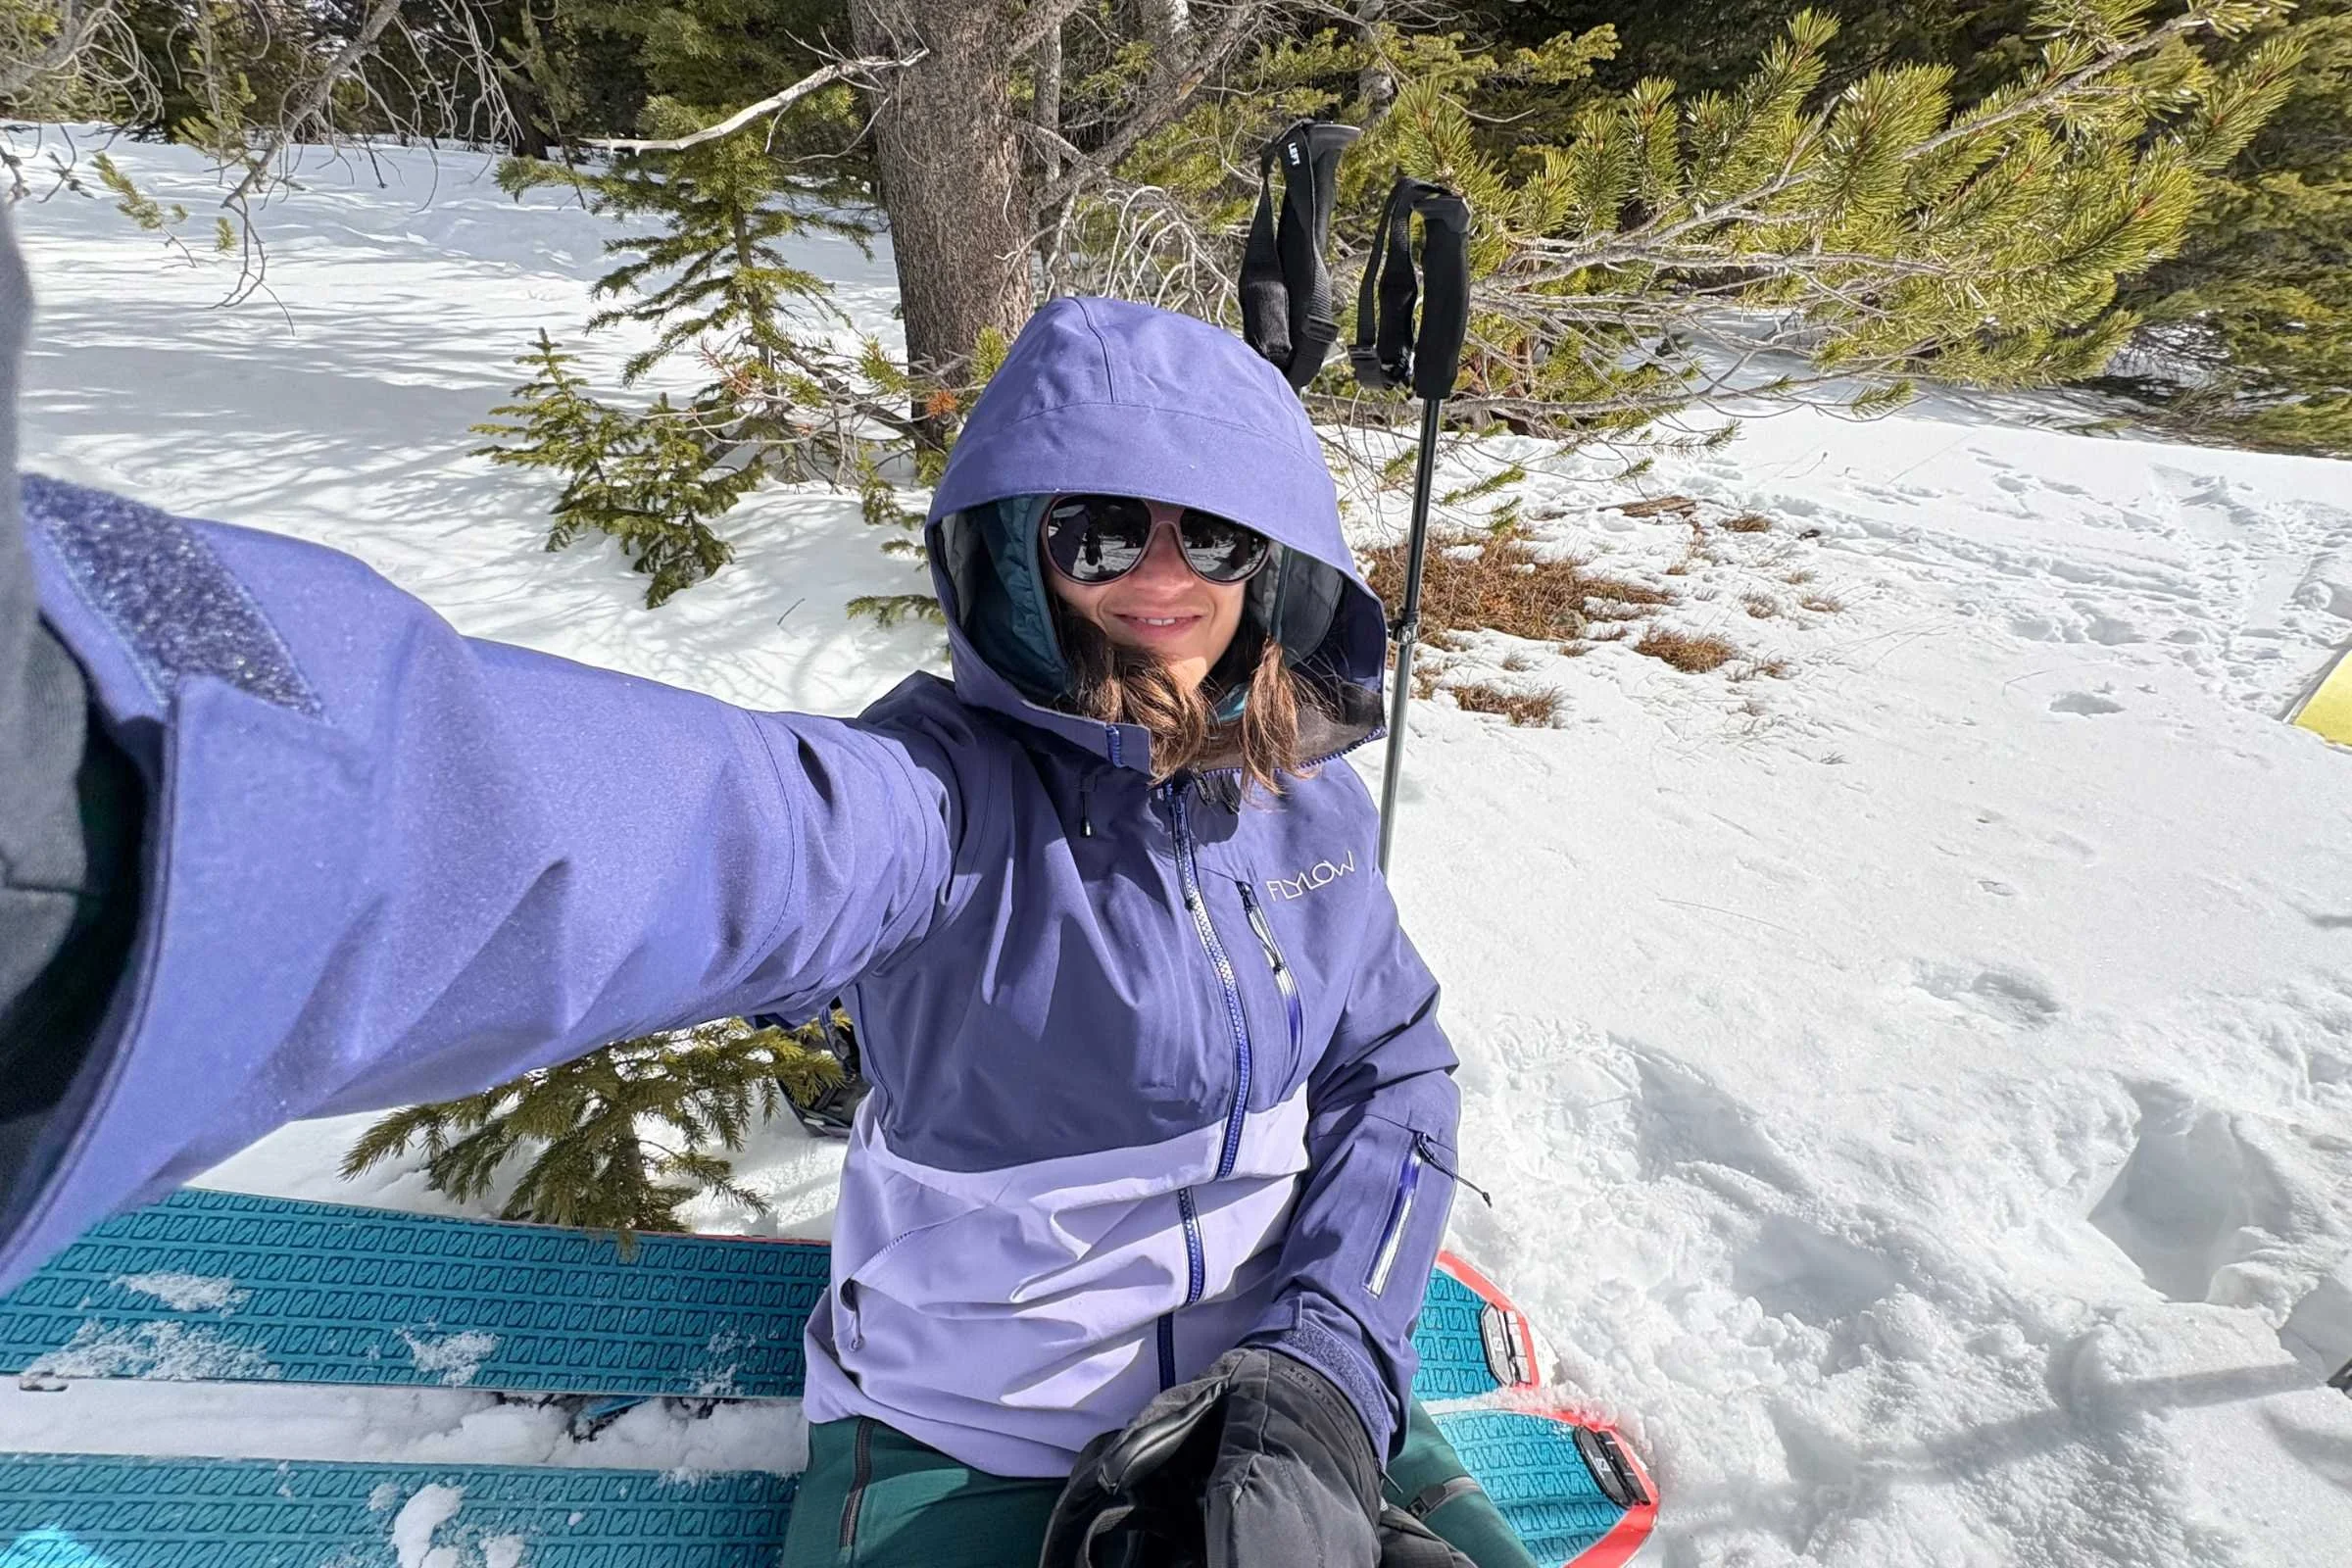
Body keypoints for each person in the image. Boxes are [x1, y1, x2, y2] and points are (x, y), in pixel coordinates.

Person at [0, 209, 1532, 1567]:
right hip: (976, 1437)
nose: (1161, 573)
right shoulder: (933, 808)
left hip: (1291, 1405)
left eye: (1213, 529)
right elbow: (659, 832)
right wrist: (141, 817)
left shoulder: (1304, 797)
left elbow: (1392, 1068)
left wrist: (1321, 1374)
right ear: (1016, 551)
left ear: (1274, 560)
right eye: (1097, 529)